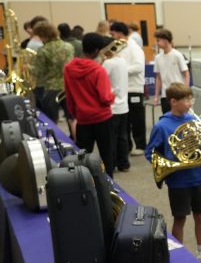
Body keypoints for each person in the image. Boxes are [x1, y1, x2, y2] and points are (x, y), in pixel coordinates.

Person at [145, 83, 201, 263]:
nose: (190, 103)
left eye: (190, 99)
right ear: (173, 102)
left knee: (200, 216)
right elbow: (150, 153)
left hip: (199, 176)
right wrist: (171, 160)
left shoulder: (196, 120)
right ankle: (179, 257)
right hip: (178, 180)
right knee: (180, 219)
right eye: (186, 100)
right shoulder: (162, 126)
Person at [63, 32, 116, 174]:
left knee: (82, 157)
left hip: (82, 119)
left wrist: (75, 114)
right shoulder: (99, 70)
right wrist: (113, 95)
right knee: (107, 155)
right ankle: (109, 185)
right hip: (102, 118)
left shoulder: (68, 69)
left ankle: (84, 183)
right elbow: (105, 98)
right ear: (97, 50)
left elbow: (69, 95)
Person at [109, 21, 147, 155]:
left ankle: (141, 145)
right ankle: (128, 146)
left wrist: (121, 70)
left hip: (134, 88)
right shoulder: (117, 46)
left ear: (119, 33)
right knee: (125, 121)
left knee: (137, 119)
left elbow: (138, 67)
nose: (112, 36)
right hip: (122, 88)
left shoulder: (134, 47)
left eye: (113, 33)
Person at [29, 20, 73, 124]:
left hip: (51, 88)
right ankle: (75, 139)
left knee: (52, 121)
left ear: (43, 35)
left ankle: (55, 139)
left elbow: (38, 72)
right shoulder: (68, 46)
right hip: (68, 86)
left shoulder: (43, 50)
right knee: (72, 119)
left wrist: (28, 67)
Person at [102, 37, 131, 172]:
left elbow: (101, 80)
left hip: (112, 106)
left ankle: (111, 164)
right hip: (123, 104)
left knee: (111, 138)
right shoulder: (122, 61)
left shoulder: (108, 64)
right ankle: (124, 163)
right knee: (122, 136)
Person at [153, 28, 189, 114]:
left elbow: (186, 74)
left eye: (158, 40)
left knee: (180, 119)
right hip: (165, 95)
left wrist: (186, 92)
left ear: (165, 40)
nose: (157, 43)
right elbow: (158, 78)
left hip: (178, 94)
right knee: (167, 118)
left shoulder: (177, 55)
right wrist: (156, 96)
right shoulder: (158, 58)